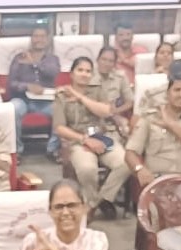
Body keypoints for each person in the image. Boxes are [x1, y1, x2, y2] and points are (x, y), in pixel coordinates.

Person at [125, 68, 181, 226]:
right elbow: (130, 153)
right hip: (159, 181)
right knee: (160, 217)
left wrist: (171, 125)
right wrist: (140, 169)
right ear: (168, 92)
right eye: (177, 90)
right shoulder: (149, 118)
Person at [53, 56, 130, 220]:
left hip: (102, 138)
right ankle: (98, 201)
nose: (84, 74)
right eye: (80, 70)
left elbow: (105, 111)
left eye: (88, 71)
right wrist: (84, 139)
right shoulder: (61, 96)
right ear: (72, 74)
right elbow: (59, 127)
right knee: (87, 169)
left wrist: (80, 97)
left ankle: (93, 203)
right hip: (78, 142)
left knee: (125, 162)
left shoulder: (97, 90)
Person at [8, 27, 60, 158]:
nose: (39, 39)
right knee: (13, 108)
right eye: (36, 36)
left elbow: (52, 73)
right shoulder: (19, 58)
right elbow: (12, 83)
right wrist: (27, 86)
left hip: (46, 101)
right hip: (23, 99)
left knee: (61, 109)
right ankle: (17, 150)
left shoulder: (52, 59)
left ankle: (52, 149)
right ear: (31, 39)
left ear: (47, 39)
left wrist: (34, 63)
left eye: (42, 36)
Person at [90, 47, 133, 135]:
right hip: (91, 116)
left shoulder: (120, 77)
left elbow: (130, 101)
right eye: (104, 59)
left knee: (126, 128)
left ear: (115, 63)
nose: (106, 64)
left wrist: (115, 111)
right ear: (97, 60)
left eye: (111, 61)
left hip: (111, 117)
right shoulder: (88, 74)